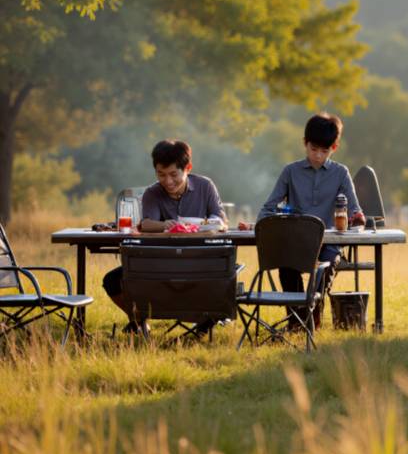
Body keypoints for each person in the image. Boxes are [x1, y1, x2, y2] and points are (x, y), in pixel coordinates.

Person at [243, 113, 364, 327]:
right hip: (296, 242)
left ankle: (310, 317)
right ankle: (297, 321)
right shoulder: (290, 172)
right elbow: (269, 208)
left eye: (324, 151)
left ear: (333, 148)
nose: (317, 156)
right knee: (286, 267)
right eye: (313, 149)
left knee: (324, 269)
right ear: (305, 144)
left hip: (329, 243)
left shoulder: (341, 173)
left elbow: (355, 211)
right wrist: (260, 224)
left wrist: (357, 219)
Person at [102, 139, 227, 336]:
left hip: (198, 259)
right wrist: (165, 225)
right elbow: (147, 223)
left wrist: (205, 223)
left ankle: (206, 321)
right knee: (112, 280)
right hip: (160, 262)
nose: (168, 182)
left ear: (188, 168)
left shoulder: (205, 186)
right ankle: (139, 320)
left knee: (225, 273)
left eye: (173, 175)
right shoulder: (153, 192)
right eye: (161, 175)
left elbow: (220, 219)